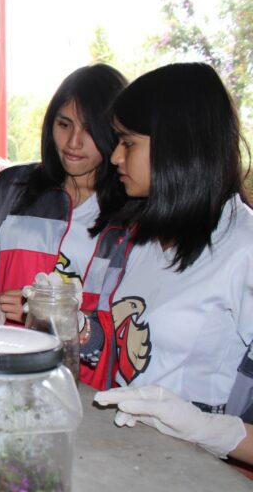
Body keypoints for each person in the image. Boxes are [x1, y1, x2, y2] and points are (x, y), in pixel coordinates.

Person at [73, 63, 253, 464]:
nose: (115, 156)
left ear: (179, 145)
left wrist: (204, 428)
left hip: (194, 471)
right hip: (124, 456)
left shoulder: (244, 250)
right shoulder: (140, 233)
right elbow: (136, 346)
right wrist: (79, 328)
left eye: (128, 142)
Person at [0, 64, 128, 328]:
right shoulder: (12, 187)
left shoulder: (129, 214)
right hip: (6, 355)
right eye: (64, 124)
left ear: (118, 134)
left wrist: (52, 317)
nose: (73, 142)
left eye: (91, 129)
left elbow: (126, 316)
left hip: (79, 366)